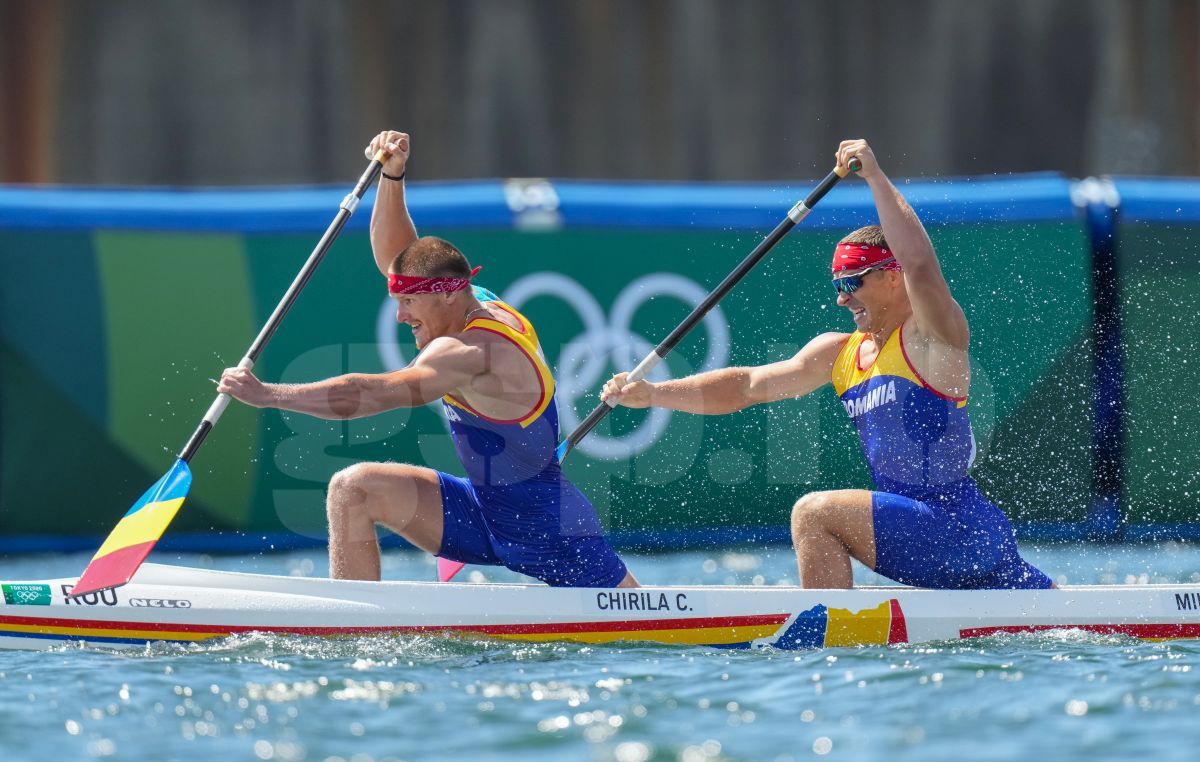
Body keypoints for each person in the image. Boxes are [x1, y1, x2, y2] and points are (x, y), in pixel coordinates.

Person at [602, 138, 1052, 591]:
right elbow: (746, 386)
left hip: (954, 529)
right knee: (1057, 612)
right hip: (951, 538)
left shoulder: (931, 338)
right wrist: (654, 393)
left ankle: (826, 634)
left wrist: (874, 177)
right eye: (837, 285)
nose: (841, 298)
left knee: (814, 514)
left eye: (852, 283)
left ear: (891, 277)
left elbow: (919, 263)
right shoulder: (838, 354)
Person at [220, 130, 637, 589]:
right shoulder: (474, 298)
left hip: (549, 532)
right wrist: (391, 177)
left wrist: (270, 395)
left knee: (641, 620)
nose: (401, 316)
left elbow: (376, 394)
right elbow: (398, 258)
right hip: (482, 511)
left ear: (448, 295)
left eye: (409, 303)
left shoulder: (469, 350)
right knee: (352, 489)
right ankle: (351, 621)